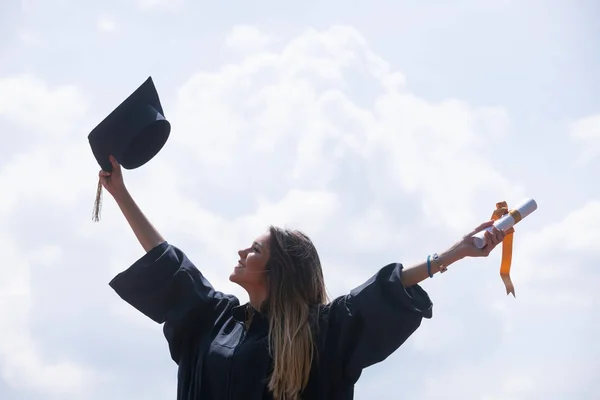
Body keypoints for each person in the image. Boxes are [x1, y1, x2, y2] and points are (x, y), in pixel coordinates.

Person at [102, 156, 506, 400]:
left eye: (256, 249)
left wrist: (455, 252)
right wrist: (120, 192)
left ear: (278, 272)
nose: (242, 251)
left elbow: (383, 291)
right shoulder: (216, 320)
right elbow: (168, 263)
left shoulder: (318, 333)